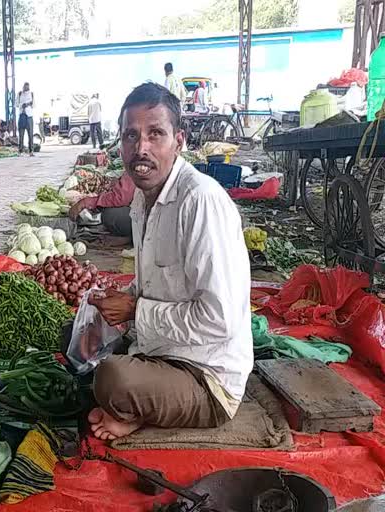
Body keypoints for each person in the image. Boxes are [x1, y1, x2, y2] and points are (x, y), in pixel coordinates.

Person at [86, 82, 252, 440]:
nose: (141, 148)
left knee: (111, 380)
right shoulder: (144, 199)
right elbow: (158, 280)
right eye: (131, 136)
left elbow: (218, 319)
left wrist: (135, 311)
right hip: (163, 351)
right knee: (77, 336)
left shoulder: (201, 201)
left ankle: (135, 414)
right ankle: (140, 400)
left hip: (204, 376)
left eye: (155, 134)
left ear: (179, 140)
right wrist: (119, 298)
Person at [68, 174, 135, 238]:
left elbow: (121, 198)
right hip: (139, 210)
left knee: (109, 215)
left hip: (141, 216)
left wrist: (85, 202)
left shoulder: (134, 166)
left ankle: (130, 237)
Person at [16, 82, 35, 155]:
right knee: (21, 134)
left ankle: (31, 151)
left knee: (30, 134)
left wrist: (28, 104)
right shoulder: (20, 94)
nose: (26, 88)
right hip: (22, 115)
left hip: (29, 116)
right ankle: (20, 150)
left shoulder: (32, 94)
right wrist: (22, 105)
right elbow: (16, 104)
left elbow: (34, 105)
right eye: (25, 86)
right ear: (23, 87)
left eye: (27, 87)